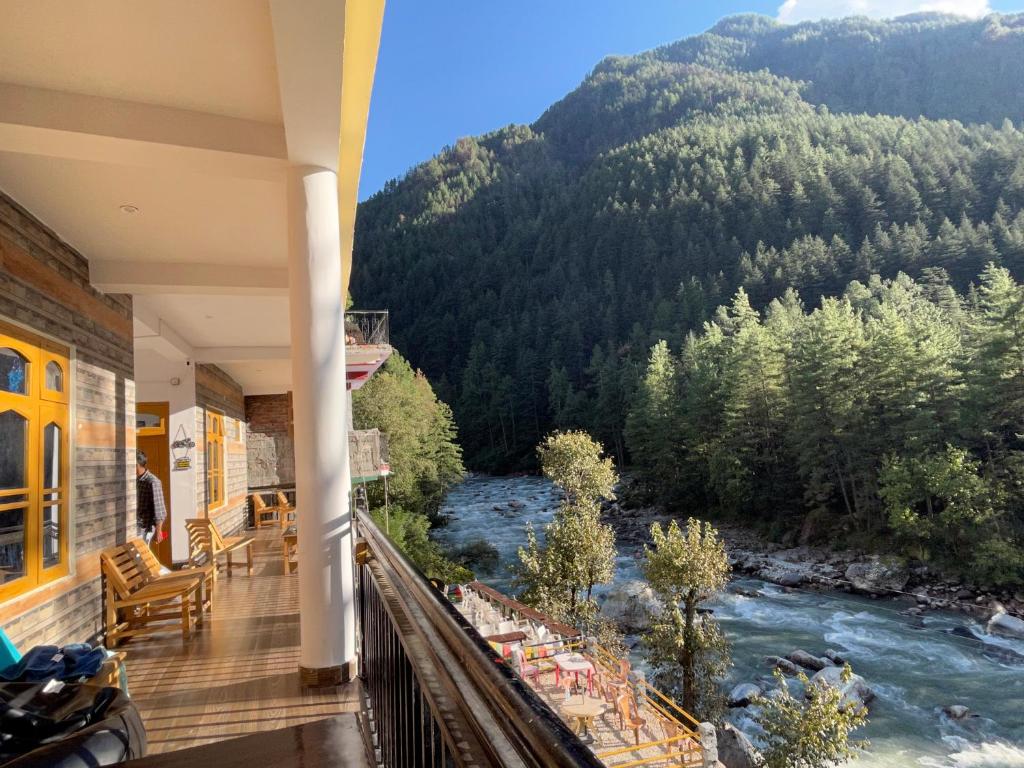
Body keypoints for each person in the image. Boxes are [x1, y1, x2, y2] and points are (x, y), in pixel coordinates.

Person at [136, 449, 167, 546]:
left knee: (140, 557)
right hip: (135, 527)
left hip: (144, 528)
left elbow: (160, 510)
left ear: (136, 465)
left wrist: (159, 532)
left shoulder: (153, 482)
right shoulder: (136, 480)